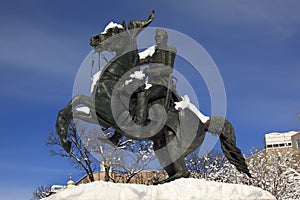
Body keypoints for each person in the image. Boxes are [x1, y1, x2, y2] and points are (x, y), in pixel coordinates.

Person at [134, 28, 177, 125]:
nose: (156, 38)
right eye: (155, 36)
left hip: (163, 84)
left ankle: (137, 125)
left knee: (143, 96)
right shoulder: (153, 52)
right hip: (151, 83)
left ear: (165, 38)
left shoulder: (170, 49)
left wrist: (151, 72)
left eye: (158, 36)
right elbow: (139, 61)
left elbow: (169, 69)